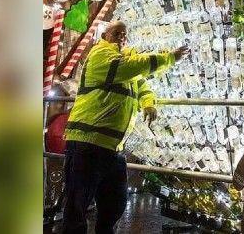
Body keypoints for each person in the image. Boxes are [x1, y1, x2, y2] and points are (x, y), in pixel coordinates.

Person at [61, 21, 189, 234]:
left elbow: (141, 84)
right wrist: (169, 57)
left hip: (113, 147)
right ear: (105, 36)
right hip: (88, 142)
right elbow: (130, 68)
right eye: (116, 33)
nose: (122, 37)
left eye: (124, 34)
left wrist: (148, 103)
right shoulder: (100, 55)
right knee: (77, 205)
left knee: (114, 203)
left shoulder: (125, 61)